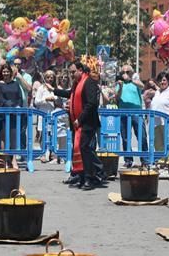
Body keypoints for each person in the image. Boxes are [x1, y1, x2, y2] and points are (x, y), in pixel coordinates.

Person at [54, 59, 104, 189]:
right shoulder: (77, 84)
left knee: (85, 149)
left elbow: (91, 104)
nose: (71, 75)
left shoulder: (89, 82)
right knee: (80, 150)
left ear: (80, 70)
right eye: (70, 73)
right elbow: (70, 94)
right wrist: (54, 90)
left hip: (87, 123)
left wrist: (80, 119)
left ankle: (91, 177)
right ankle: (82, 176)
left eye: (73, 72)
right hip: (79, 124)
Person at [115, 64, 148, 168]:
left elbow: (142, 86)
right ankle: (128, 159)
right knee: (125, 138)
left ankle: (145, 159)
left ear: (132, 73)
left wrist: (131, 79)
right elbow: (117, 97)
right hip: (123, 113)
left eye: (127, 72)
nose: (125, 74)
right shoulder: (120, 84)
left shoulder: (135, 82)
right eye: (123, 72)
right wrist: (120, 86)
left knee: (142, 136)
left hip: (136, 113)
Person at [150, 70, 169, 170]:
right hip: (156, 122)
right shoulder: (158, 92)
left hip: (168, 122)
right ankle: (161, 160)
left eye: (164, 80)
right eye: (160, 81)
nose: (162, 82)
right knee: (158, 142)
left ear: (168, 81)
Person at [34, 70, 57, 163]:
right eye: (48, 77)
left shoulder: (55, 88)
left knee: (52, 134)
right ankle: (43, 153)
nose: (50, 79)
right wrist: (46, 99)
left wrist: (54, 99)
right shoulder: (41, 88)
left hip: (53, 113)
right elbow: (36, 101)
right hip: (43, 113)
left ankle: (52, 153)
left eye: (52, 77)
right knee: (43, 134)